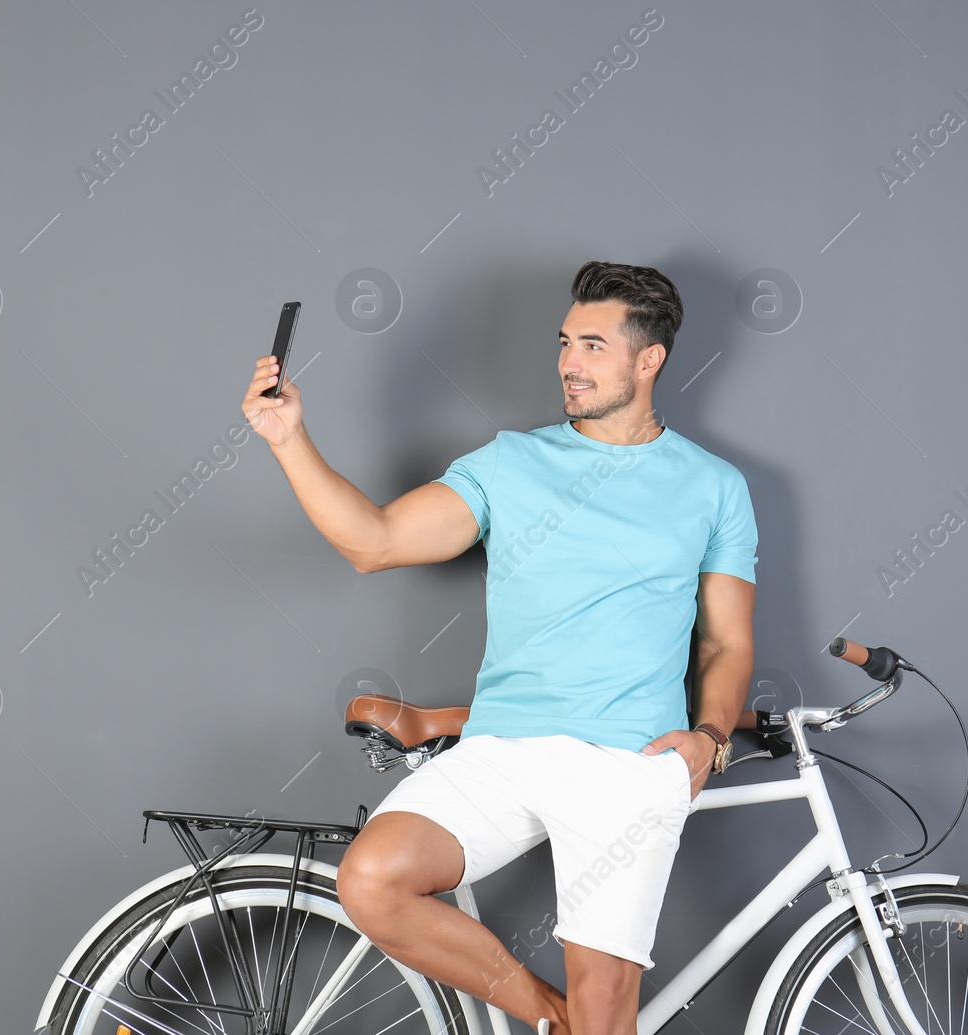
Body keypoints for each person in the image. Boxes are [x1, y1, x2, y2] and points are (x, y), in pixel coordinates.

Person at [240, 261, 758, 1035]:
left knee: (608, 1011)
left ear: (648, 360)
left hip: (627, 759)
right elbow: (373, 542)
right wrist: (288, 439)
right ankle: (553, 1019)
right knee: (373, 880)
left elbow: (727, 640)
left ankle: (584, 1021)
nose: (568, 363)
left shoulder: (714, 486)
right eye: (564, 342)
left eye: (592, 345)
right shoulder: (512, 462)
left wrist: (711, 738)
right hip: (502, 748)